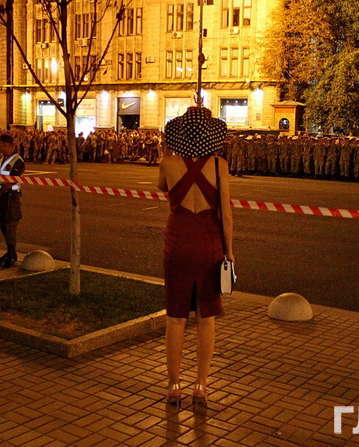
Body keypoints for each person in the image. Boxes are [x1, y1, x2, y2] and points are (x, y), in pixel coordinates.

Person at [158, 107, 235, 409]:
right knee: (206, 318)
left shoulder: (167, 162)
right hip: (208, 242)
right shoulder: (219, 165)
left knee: (175, 317)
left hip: (177, 241)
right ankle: (201, 386)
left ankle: (174, 385)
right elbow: (225, 214)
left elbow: (163, 187)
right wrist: (229, 252)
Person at [0, 134, 26, 268]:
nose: (0, 148)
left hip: (11, 197)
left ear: (10, 146)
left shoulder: (18, 161)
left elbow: (13, 179)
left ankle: (12, 255)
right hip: (2, 197)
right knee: (3, 225)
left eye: (2, 145)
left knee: (10, 225)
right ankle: (9, 252)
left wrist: (0, 191)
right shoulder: (2, 160)